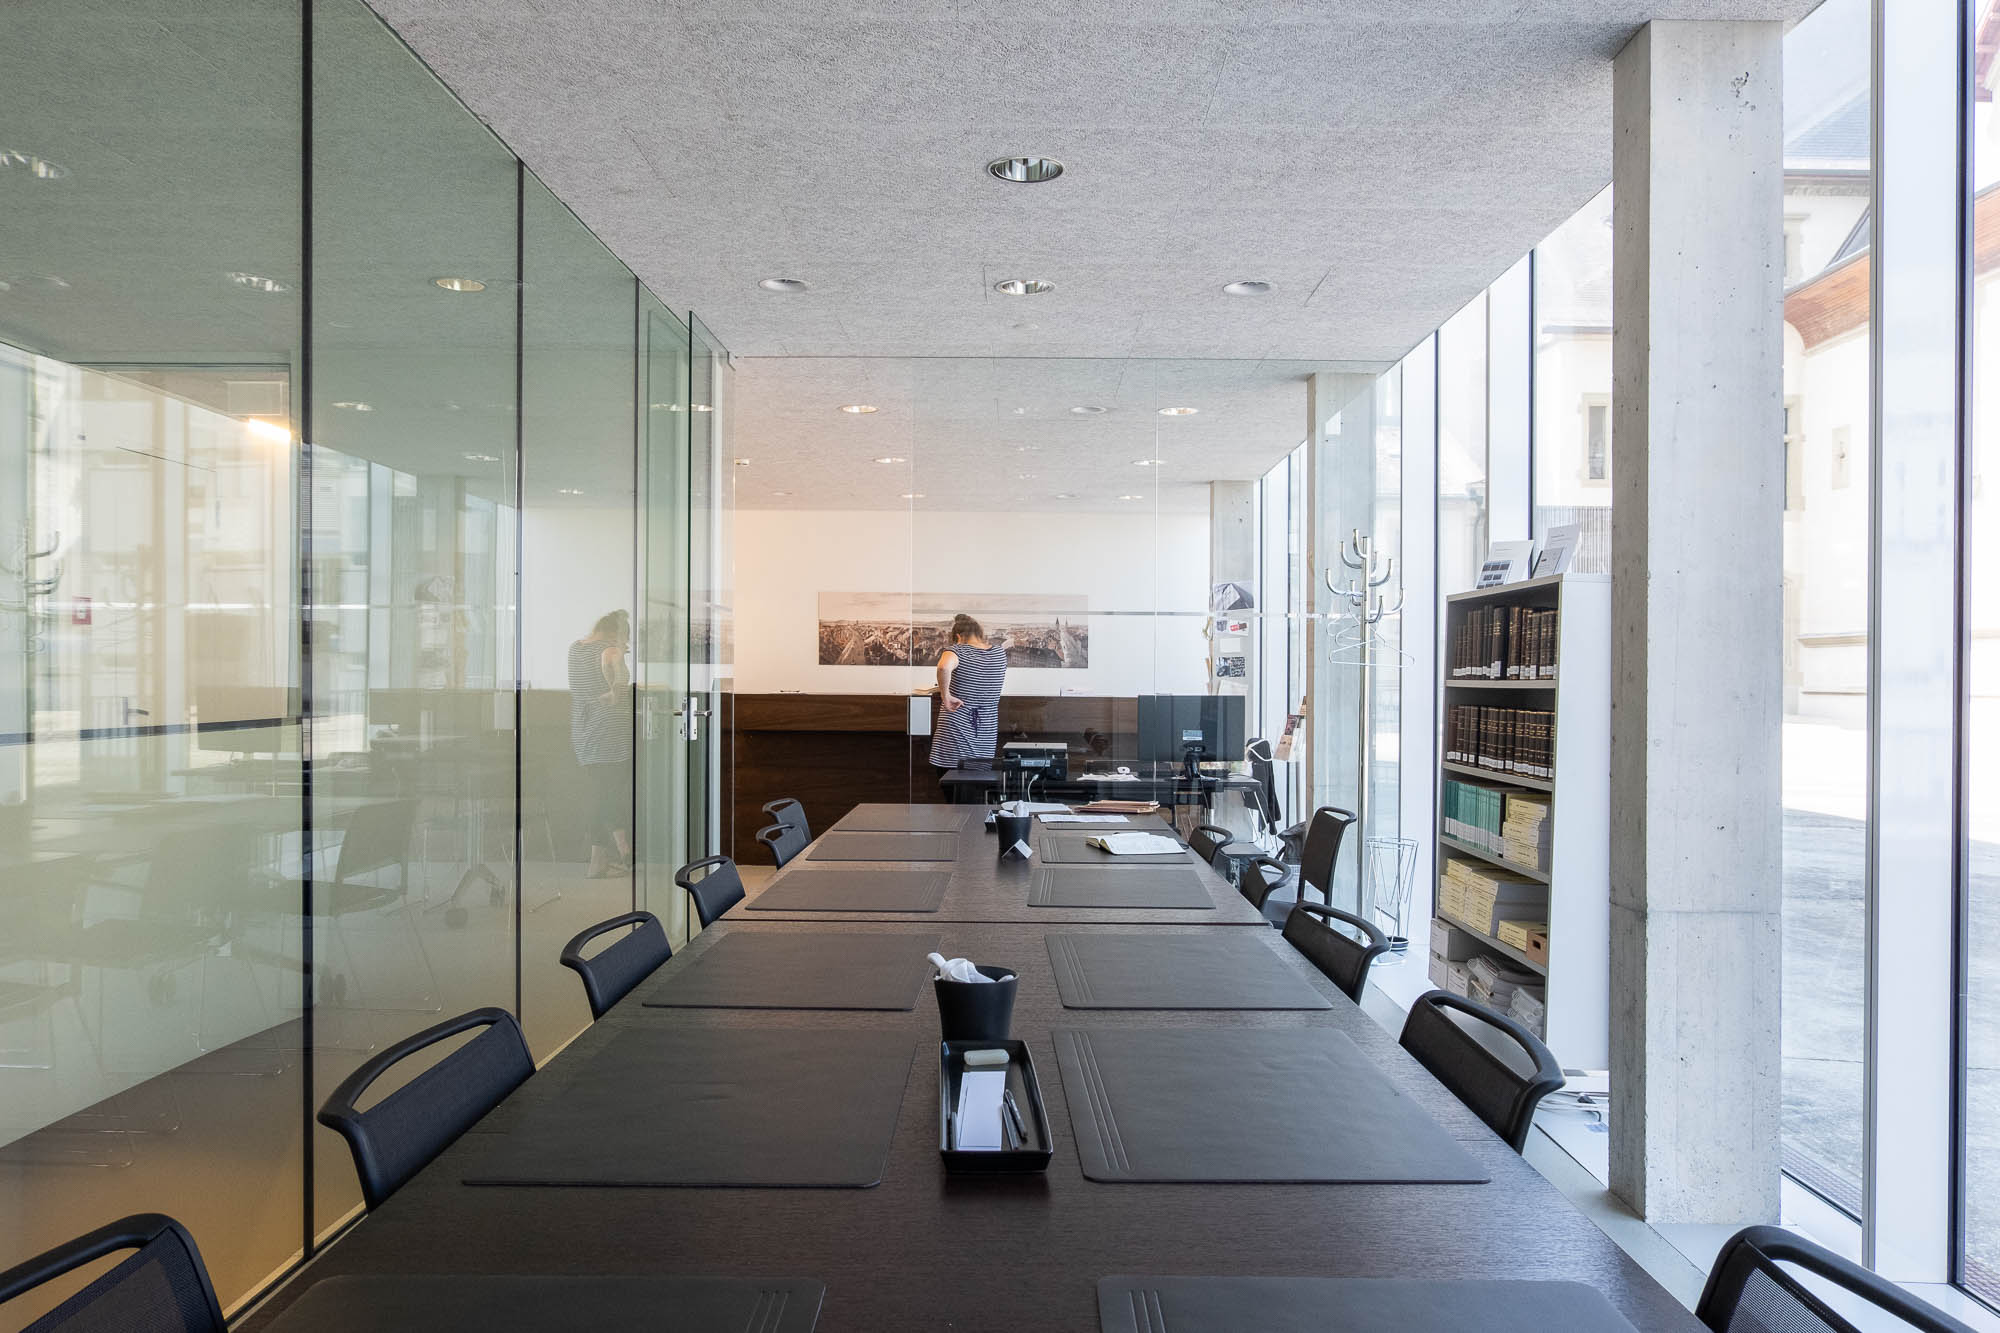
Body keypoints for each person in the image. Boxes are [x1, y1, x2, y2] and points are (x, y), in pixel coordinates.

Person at [569, 610, 632, 878]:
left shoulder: (575, 649)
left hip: (583, 727)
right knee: (608, 792)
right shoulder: (611, 652)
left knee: (600, 790)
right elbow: (619, 690)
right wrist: (619, 656)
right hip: (610, 730)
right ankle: (608, 856)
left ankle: (614, 852)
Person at [928, 613, 1007, 789]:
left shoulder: (957, 650)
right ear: (979, 633)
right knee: (978, 789)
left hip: (956, 727)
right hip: (985, 731)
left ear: (958, 636)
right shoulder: (999, 653)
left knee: (953, 787)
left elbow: (943, 667)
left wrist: (945, 695)